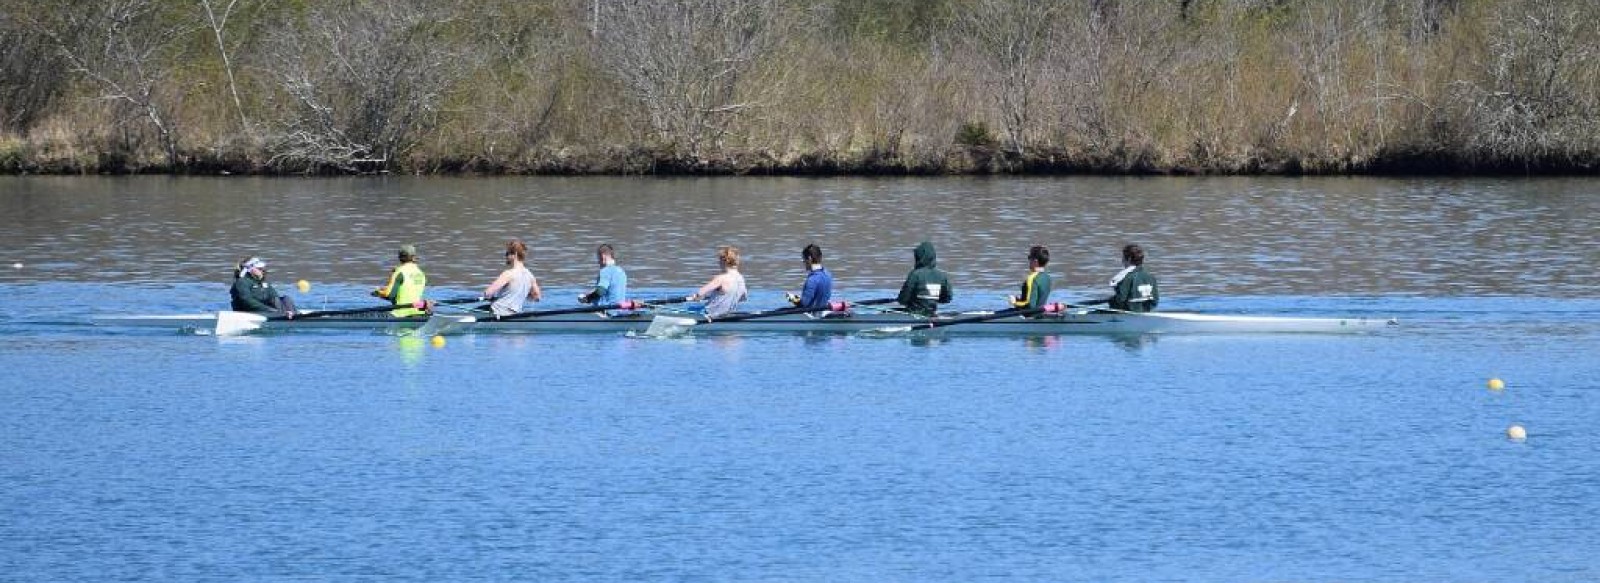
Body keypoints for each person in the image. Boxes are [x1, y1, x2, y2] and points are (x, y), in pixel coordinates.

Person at [483, 239, 542, 317]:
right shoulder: (530, 275)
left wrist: (489, 297)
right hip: (515, 313)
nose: (506, 256)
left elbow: (488, 292)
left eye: (507, 253)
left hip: (498, 311)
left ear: (515, 254)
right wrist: (520, 294)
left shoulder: (508, 274)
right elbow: (537, 297)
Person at [687, 245, 748, 318]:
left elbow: (700, 293)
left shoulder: (721, 278)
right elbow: (743, 298)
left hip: (709, 314)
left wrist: (696, 297)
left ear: (724, 261)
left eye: (719, 261)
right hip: (728, 314)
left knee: (688, 309)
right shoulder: (741, 279)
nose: (718, 263)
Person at [1095, 243, 1159, 312]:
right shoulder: (1151, 277)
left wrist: (1111, 301)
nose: (1122, 261)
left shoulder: (1126, 277)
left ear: (1129, 259)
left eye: (1123, 258)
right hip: (1147, 310)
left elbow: (1120, 300)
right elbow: (1155, 300)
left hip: (1129, 312)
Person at [896, 241, 952, 316]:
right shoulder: (942, 276)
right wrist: (932, 299)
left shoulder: (915, 274)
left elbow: (902, 300)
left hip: (914, 314)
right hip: (932, 314)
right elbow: (947, 299)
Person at [372, 244, 428, 317]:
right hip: (418, 312)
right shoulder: (421, 274)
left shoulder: (399, 272)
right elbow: (409, 289)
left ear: (399, 258)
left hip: (400, 314)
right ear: (414, 257)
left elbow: (390, 295)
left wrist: (378, 293)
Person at [230, 257, 296, 317]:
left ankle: (293, 314)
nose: (263, 271)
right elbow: (247, 300)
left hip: (266, 310)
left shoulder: (263, 283)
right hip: (247, 312)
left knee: (286, 298)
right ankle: (284, 315)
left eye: (263, 269)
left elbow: (274, 297)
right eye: (259, 269)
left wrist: (285, 309)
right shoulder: (242, 282)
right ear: (249, 269)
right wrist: (270, 310)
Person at [785, 243, 833, 310]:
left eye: (804, 259)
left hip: (811, 315)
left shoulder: (812, 280)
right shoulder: (828, 274)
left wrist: (792, 298)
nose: (803, 262)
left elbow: (804, 304)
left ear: (809, 259)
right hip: (822, 311)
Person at [1008, 245, 1053, 310]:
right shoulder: (1047, 277)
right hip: (1040, 313)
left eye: (1029, 257)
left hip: (1029, 316)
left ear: (1035, 262)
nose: (1029, 260)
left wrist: (1015, 302)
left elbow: (1030, 306)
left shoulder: (1032, 279)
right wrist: (1019, 300)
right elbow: (1037, 301)